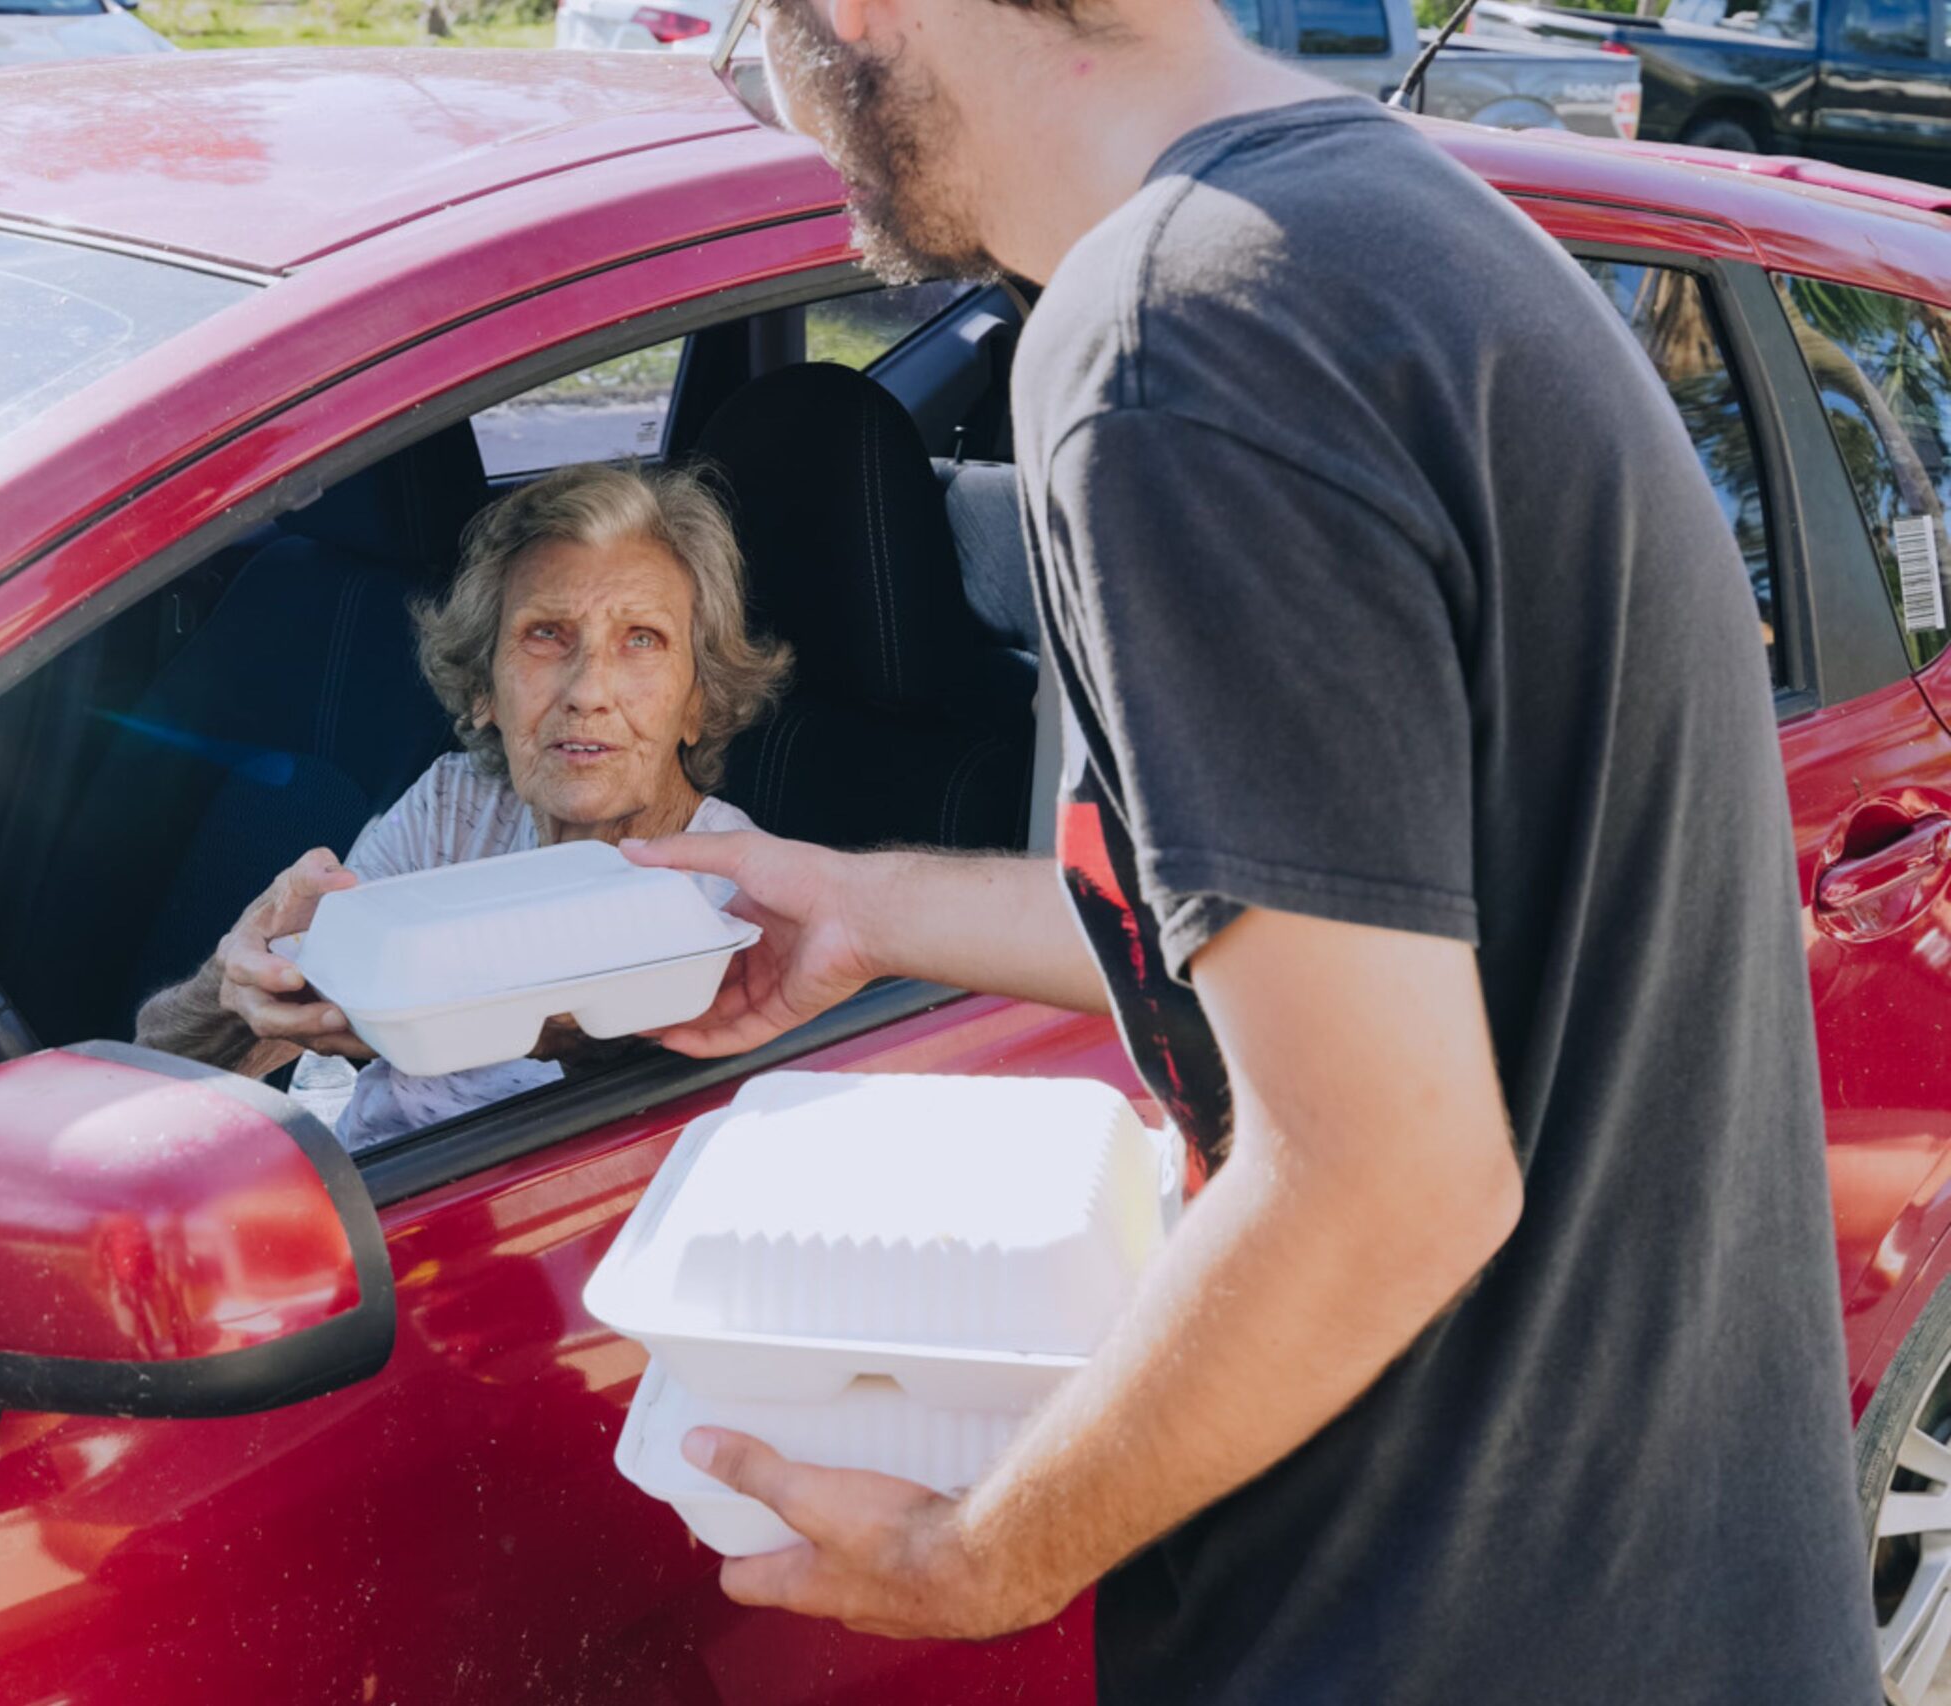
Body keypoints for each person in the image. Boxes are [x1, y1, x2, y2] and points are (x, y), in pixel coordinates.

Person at [618, 0, 1878, 1699]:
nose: (776, 99)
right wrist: (861, 904)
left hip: (1432, 1638)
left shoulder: (1166, 344)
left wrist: (973, 1555)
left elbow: (1390, 1183)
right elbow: (1369, 937)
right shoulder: (1383, 231)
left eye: (749, 38)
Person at [137, 462, 789, 1150]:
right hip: (363, 1190)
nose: (588, 691)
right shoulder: (455, 806)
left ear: (698, 702)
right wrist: (240, 978)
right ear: (484, 690)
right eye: (546, 634)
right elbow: (162, 1071)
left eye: (641, 641)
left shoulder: (736, 900)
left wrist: (594, 1047)